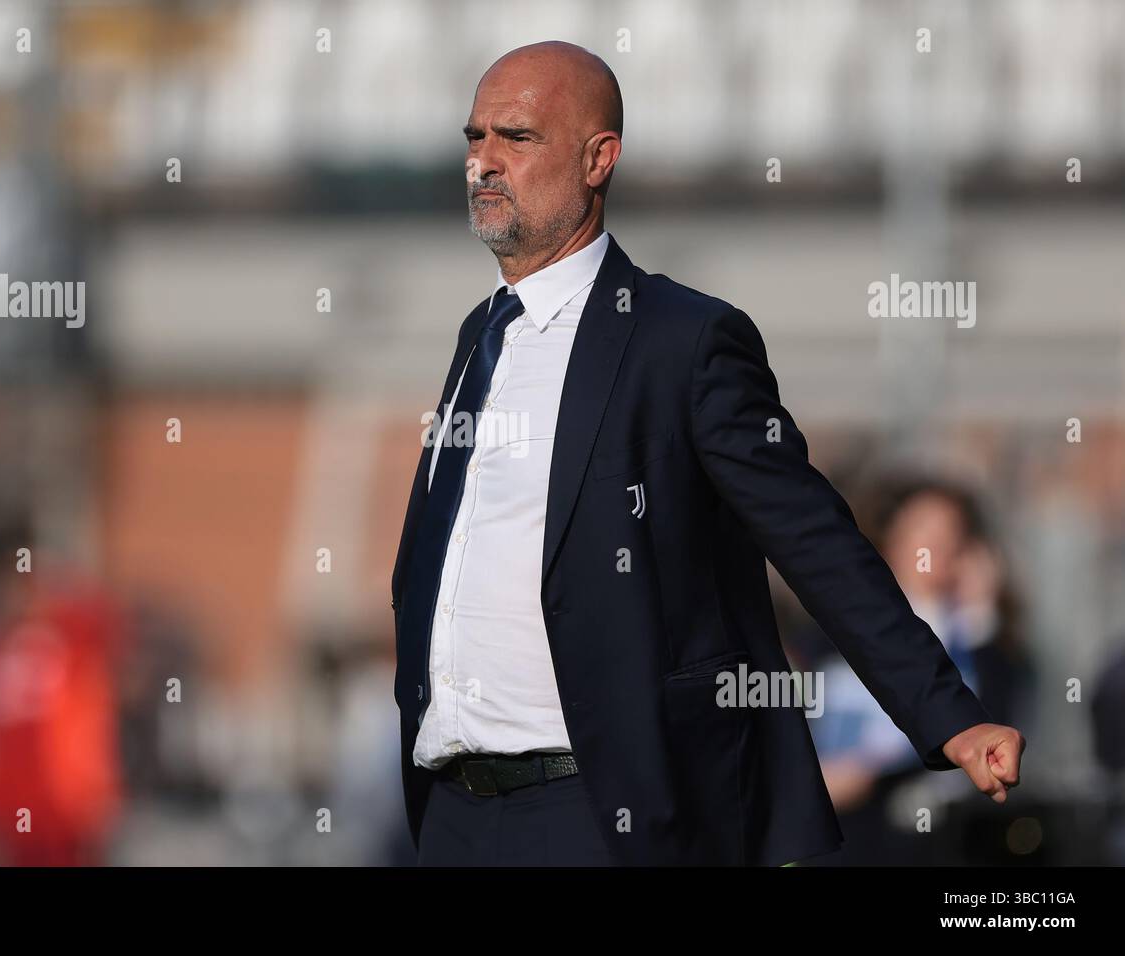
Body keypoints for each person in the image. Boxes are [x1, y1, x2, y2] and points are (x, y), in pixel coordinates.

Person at [390, 41, 1024, 866]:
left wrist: (948, 716)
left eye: (516, 138)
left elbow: (813, 538)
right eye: (474, 139)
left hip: (598, 813)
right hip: (452, 816)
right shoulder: (482, 337)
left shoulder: (682, 341)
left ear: (598, 160)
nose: (483, 163)